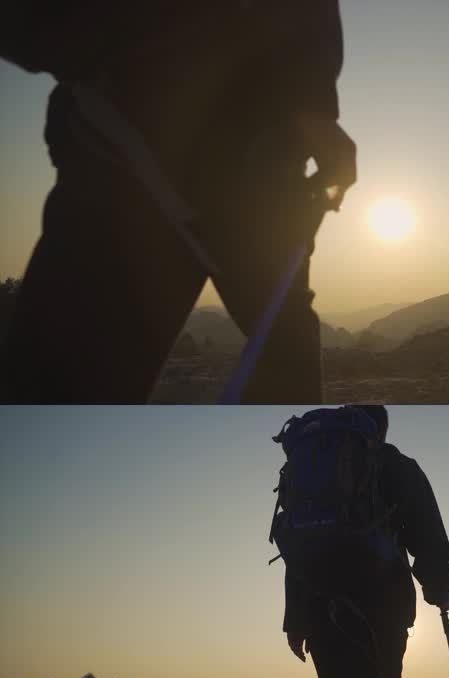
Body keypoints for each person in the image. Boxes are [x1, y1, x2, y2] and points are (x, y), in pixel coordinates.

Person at [0, 1, 355, 403]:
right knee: (285, 353)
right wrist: (314, 106)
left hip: (145, 150)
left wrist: (314, 106)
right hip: (228, 159)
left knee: (57, 392)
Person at [281, 405, 449, 678]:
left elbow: (296, 548)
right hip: (380, 614)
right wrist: (438, 593)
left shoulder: (306, 472)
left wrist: (296, 619)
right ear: (381, 428)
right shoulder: (394, 465)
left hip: (321, 613)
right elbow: (429, 537)